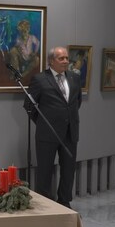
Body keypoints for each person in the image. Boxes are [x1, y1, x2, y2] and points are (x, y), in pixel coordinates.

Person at [25, 46, 82, 208]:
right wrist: (44, 123)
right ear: (51, 61)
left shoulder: (74, 78)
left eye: (66, 58)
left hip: (70, 132)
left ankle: (64, 201)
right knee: (45, 170)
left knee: (68, 170)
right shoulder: (40, 79)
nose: (65, 61)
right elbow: (29, 106)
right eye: (61, 58)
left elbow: (77, 102)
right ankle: (45, 204)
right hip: (47, 133)